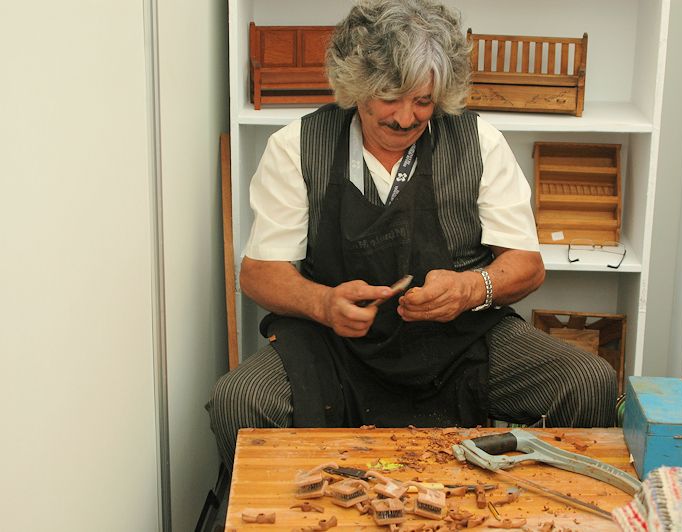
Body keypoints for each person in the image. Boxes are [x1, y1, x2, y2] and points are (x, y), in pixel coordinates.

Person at [207, 0, 616, 471]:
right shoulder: (297, 145)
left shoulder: (479, 142)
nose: (406, 118)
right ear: (356, 88)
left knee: (587, 382)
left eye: (423, 101)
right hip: (334, 346)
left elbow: (527, 266)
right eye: (390, 98)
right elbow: (259, 273)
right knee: (239, 401)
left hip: (460, 343)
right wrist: (323, 303)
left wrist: (470, 288)